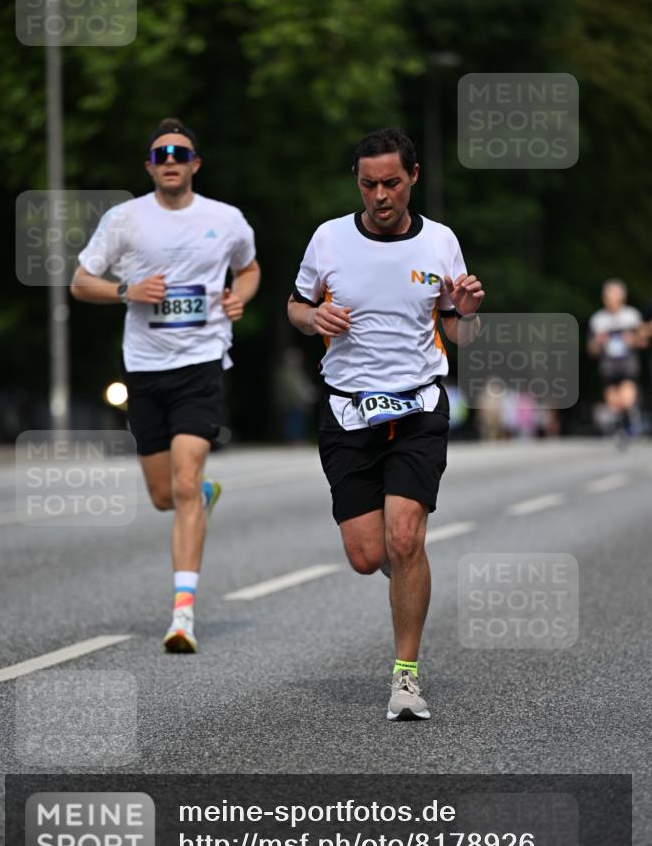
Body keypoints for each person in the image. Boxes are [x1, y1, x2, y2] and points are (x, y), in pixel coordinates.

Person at [288, 127, 484, 721]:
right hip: (348, 411)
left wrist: (469, 314)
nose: (380, 195)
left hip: (419, 407)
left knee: (405, 539)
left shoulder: (441, 242)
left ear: (413, 177)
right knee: (367, 554)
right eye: (368, 184)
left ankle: (405, 676)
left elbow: (458, 331)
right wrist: (314, 317)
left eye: (392, 183)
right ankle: (407, 580)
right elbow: (296, 306)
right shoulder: (329, 239)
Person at [70, 117, 260, 653]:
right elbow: (80, 282)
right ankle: (201, 496)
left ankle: (182, 616)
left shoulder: (226, 219)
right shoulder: (125, 219)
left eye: (180, 153)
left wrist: (239, 296)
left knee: (184, 483)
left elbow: (249, 269)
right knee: (163, 497)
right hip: (145, 369)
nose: (171, 161)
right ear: (150, 167)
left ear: (195, 163)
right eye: (161, 155)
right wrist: (127, 291)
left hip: (202, 364)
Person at [587, 279, 643, 442]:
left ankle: (630, 425)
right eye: (607, 295)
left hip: (627, 365)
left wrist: (632, 340)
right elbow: (591, 350)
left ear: (622, 296)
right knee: (613, 404)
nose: (610, 299)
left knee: (627, 399)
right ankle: (623, 425)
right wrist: (598, 342)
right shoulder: (598, 319)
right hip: (608, 367)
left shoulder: (631, 316)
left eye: (613, 295)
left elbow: (643, 341)